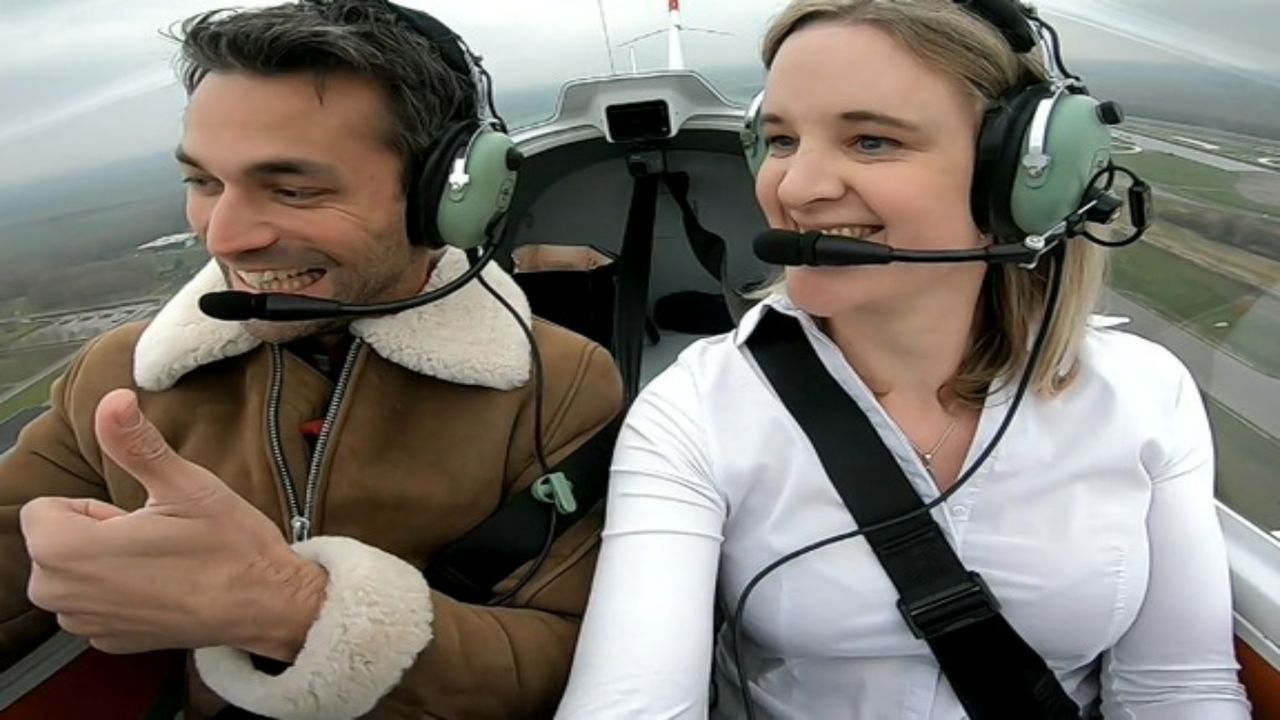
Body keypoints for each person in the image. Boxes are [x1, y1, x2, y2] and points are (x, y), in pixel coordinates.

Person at [556, 0, 1250, 718]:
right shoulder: (693, 410)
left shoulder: (1142, 393)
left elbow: (1178, 690)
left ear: (1019, 178)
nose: (794, 189)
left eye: (872, 142)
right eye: (782, 140)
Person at [0, 1, 622, 718]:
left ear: (447, 197)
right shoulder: (123, 375)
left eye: (293, 190)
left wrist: (293, 609)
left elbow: (572, 659)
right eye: (202, 183)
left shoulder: (559, 383)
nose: (224, 237)